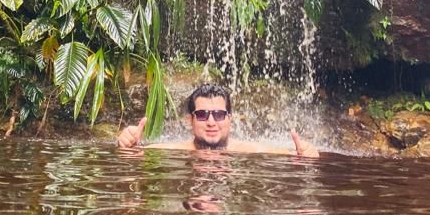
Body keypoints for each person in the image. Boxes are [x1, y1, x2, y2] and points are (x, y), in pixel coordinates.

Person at [116, 81, 319, 157]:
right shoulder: (174, 150)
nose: (211, 122)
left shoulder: (251, 151)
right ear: (191, 120)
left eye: (219, 114)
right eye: (203, 114)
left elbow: (294, 155)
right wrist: (125, 143)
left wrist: (308, 154)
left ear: (229, 119)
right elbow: (136, 151)